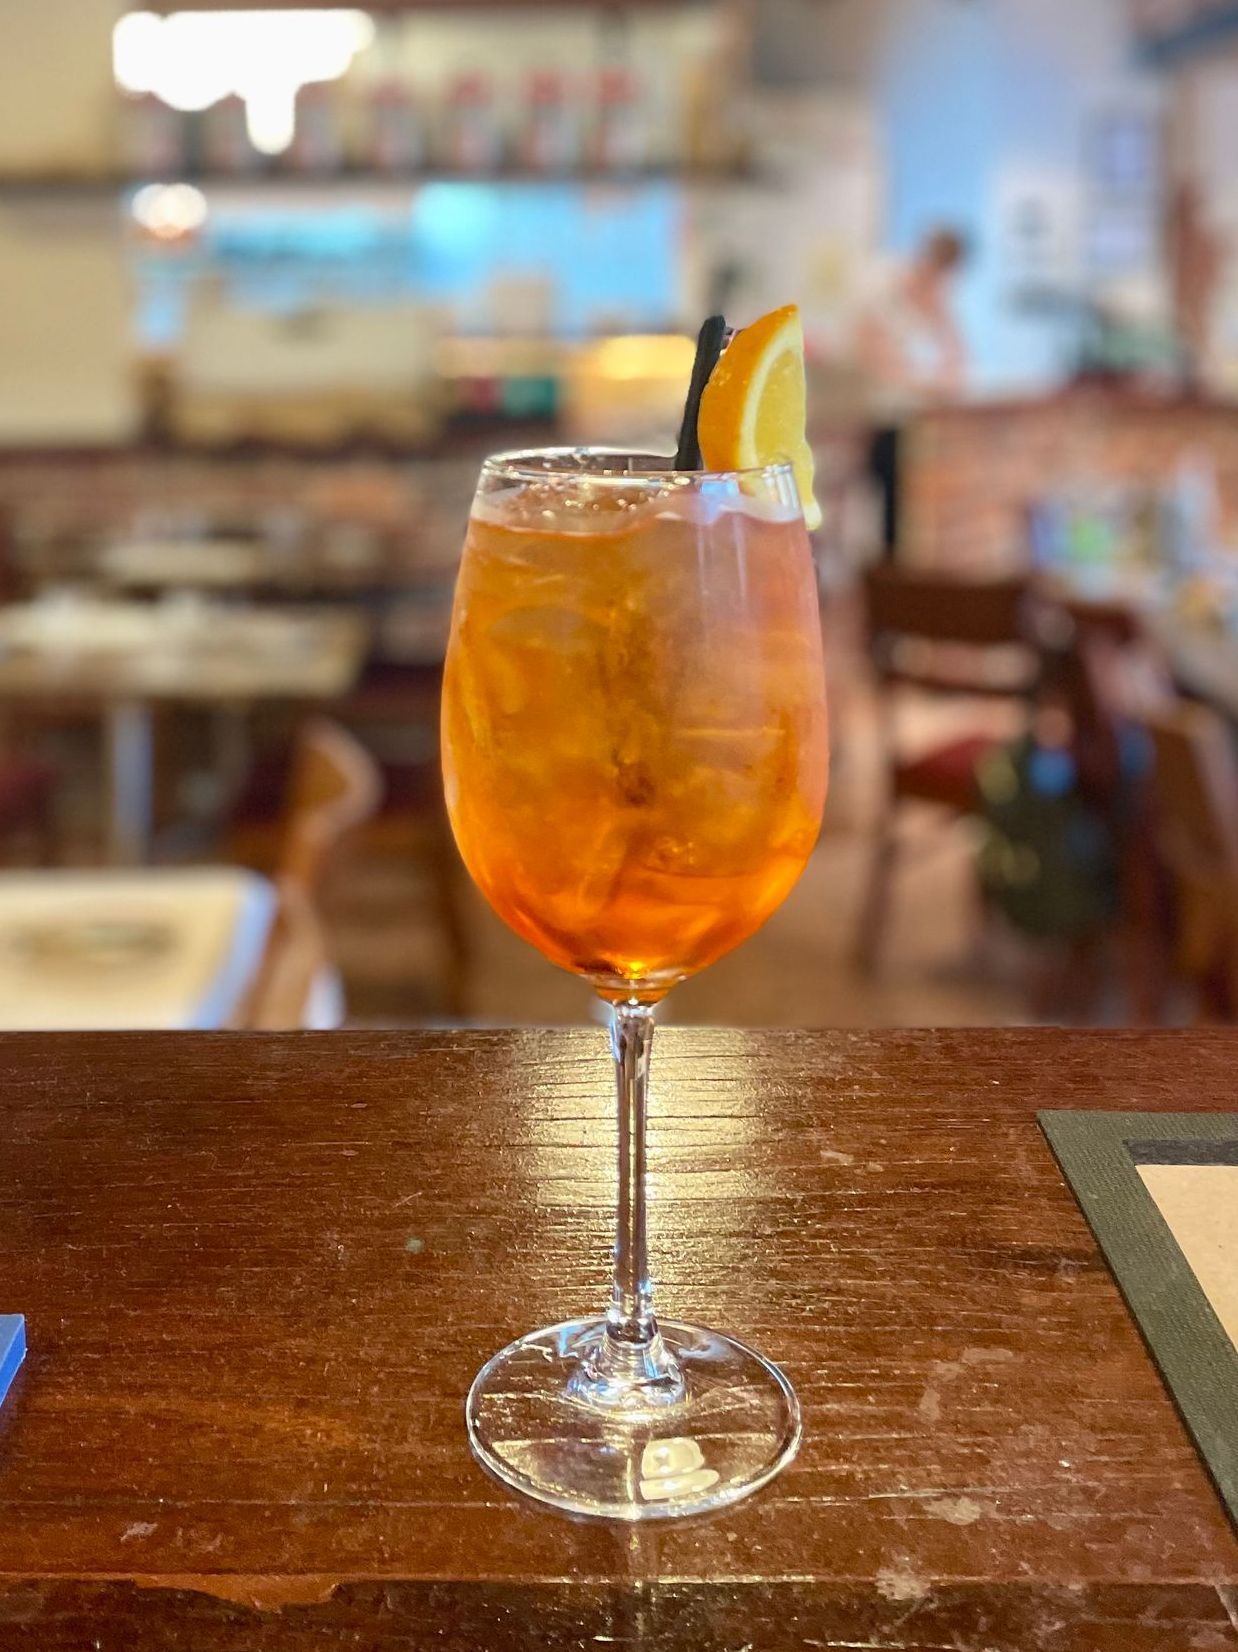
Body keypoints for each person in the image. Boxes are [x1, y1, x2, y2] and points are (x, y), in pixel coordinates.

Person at [855, 227, 971, 559]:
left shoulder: (939, 309)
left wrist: (941, 312)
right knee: (890, 525)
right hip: (890, 426)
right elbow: (880, 370)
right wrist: (931, 383)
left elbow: (957, 370)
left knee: (919, 530)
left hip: (925, 431)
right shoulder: (884, 302)